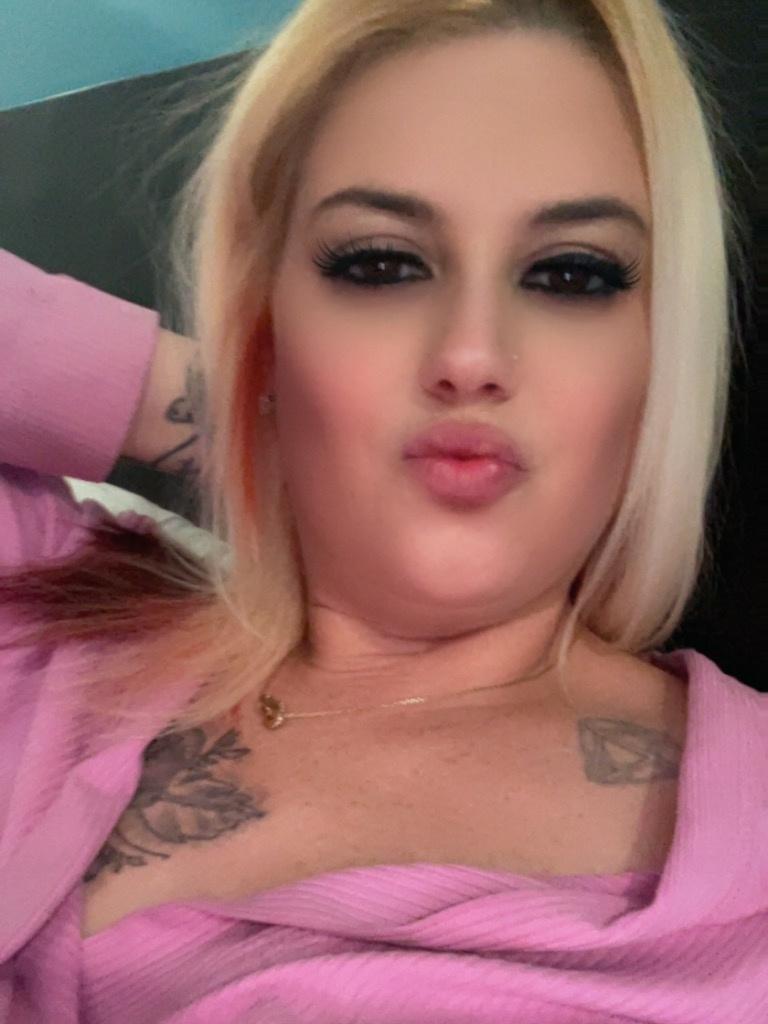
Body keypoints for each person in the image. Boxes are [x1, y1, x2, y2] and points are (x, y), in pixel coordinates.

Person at [0, 1, 765, 1021]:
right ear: (264, 313)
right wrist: (229, 410)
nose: (471, 355)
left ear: (662, 352)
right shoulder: (49, 619)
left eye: (572, 274)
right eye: (380, 263)